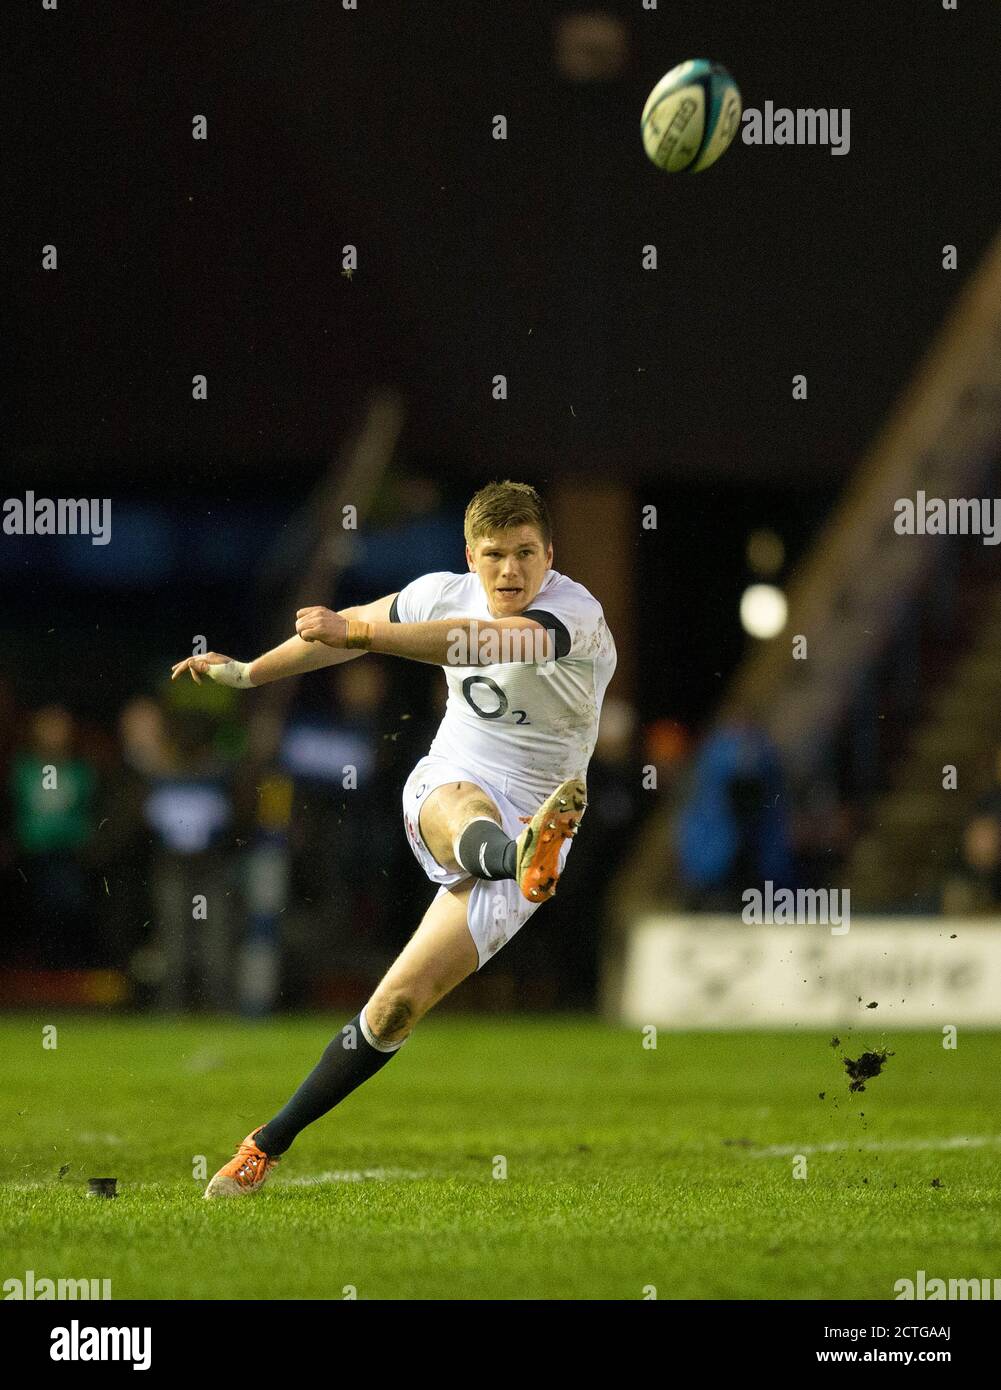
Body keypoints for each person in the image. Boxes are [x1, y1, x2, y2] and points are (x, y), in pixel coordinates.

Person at [170, 480, 617, 1197]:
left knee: (395, 1008)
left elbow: (474, 642)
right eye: (496, 555)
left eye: (526, 554)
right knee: (463, 802)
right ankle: (519, 855)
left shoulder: (573, 610)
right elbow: (341, 629)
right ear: (469, 557)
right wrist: (251, 673)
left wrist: (365, 635)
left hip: (546, 801)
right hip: (458, 783)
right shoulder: (441, 593)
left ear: (549, 555)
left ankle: (265, 1142)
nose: (511, 571)